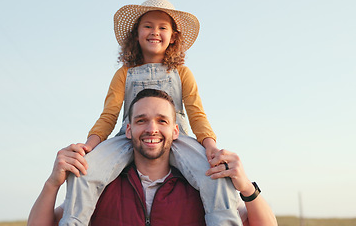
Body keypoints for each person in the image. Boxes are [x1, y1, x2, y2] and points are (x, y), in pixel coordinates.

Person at [62, 0, 240, 225]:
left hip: (177, 137)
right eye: (147, 26)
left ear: (173, 37)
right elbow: (109, 115)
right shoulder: (124, 74)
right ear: (136, 34)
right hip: (130, 136)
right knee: (85, 172)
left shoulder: (181, 73)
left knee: (214, 174)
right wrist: (90, 146)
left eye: (162, 27)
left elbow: (197, 113)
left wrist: (210, 145)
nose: (154, 32)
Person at [28, 89, 277, 226]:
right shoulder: (99, 187)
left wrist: (246, 187)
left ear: (176, 131)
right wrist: (52, 184)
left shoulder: (203, 187)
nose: (152, 129)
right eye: (141, 120)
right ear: (128, 130)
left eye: (162, 120)